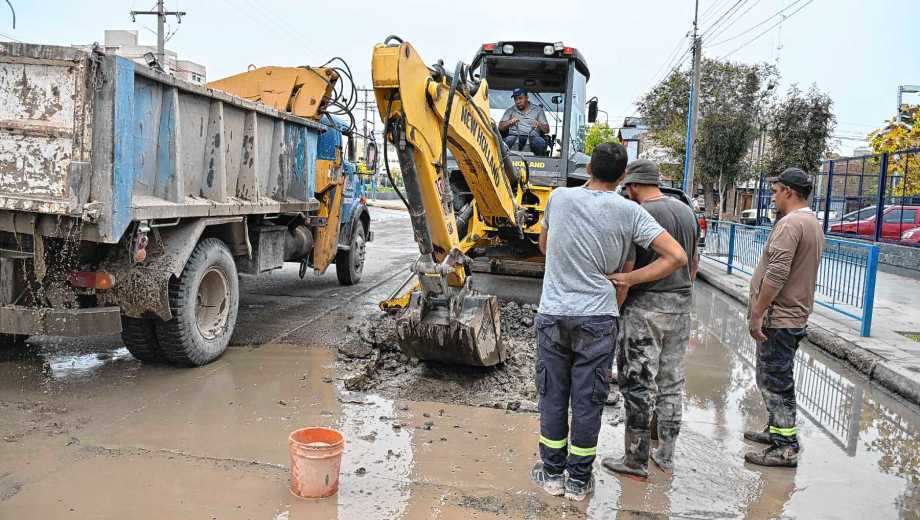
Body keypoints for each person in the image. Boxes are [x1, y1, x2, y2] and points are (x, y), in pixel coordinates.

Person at [530, 143, 688, 501]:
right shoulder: (629, 212)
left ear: (588, 167)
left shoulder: (558, 198)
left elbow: (544, 246)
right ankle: (578, 481)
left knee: (553, 396)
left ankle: (552, 474)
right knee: (588, 400)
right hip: (598, 319)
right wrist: (629, 280)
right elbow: (677, 256)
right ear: (622, 176)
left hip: (554, 314)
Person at [600, 159, 699, 479]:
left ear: (632, 186)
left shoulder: (640, 214)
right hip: (681, 305)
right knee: (671, 382)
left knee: (638, 383)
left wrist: (619, 302)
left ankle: (636, 459)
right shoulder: (686, 211)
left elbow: (627, 269)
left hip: (646, 308)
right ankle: (666, 454)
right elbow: (694, 262)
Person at [744, 167, 824, 468]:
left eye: (776, 191)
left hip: (779, 317)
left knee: (774, 381)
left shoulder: (791, 224)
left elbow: (777, 273)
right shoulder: (811, 222)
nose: (774, 197)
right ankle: (776, 430)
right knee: (775, 377)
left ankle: (785, 446)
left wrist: (757, 312)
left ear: (789, 192)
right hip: (793, 315)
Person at [499, 88, 550, 156]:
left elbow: (547, 130)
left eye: (520, 98)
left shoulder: (538, 110)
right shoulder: (510, 110)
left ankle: (538, 164)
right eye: (516, 99)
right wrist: (510, 122)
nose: (518, 101)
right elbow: (500, 127)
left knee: (540, 143)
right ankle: (504, 164)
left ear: (527, 97)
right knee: (505, 142)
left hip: (532, 137)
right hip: (514, 136)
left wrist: (539, 125)